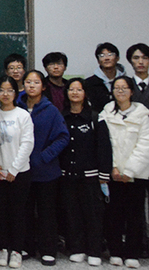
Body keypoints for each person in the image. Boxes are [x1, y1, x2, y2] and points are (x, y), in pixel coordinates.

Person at [15, 70, 68, 266]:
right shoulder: (16, 107)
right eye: (28, 82)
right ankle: (26, 246)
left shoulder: (51, 110)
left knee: (46, 212)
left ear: (43, 86)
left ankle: (48, 249)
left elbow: (63, 137)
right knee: (24, 211)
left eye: (36, 82)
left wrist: (44, 156)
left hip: (46, 171)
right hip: (21, 170)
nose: (31, 86)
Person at [60, 78, 110, 267]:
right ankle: (77, 248)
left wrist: (103, 175)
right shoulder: (62, 117)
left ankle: (94, 250)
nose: (75, 93)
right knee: (72, 213)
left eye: (79, 89)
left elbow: (104, 147)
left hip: (90, 176)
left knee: (93, 214)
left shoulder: (95, 118)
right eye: (71, 89)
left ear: (85, 93)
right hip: (67, 174)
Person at [100, 76, 149, 268]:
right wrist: (112, 167)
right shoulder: (106, 112)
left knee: (135, 214)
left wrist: (129, 170)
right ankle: (115, 251)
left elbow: (144, 145)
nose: (120, 91)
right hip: (113, 172)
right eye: (117, 88)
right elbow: (105, 142)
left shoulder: (142, 114)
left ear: (132, 91)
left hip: (136, 174)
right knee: (114, 213)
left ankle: (132, 253)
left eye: (124, 88)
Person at [0, 75, 34, 269]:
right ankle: (3, 248)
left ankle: (16, 250)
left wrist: (14, 169)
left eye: (9, 90)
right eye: (1, 90)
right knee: (0, 212)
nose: (5, 94)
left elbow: (27, 143)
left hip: (20, 173)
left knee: (18, 212)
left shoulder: (23, 115)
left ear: (16, 93)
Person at [85, 42, 125, 115]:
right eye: (102, 55)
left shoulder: (126, 82)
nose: (106, 58)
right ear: (98, 61)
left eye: (110, 54)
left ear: (117, 58)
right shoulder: (88, 83)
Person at [127, 43, 149, 108]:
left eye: (145, 58)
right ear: (130, 61)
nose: (141, 62)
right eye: (136, 58)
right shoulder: (126, 85)